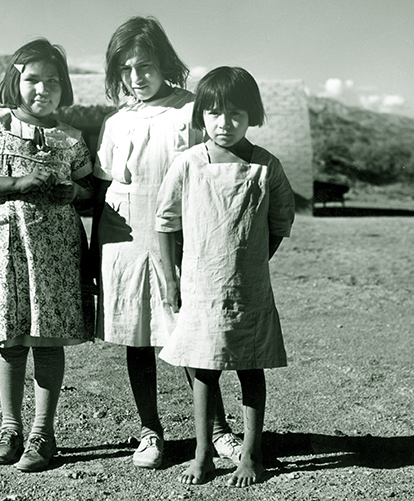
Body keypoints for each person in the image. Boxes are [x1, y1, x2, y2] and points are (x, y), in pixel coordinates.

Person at [92, 16, 243, 470]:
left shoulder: (191, 110)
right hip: (123, 240)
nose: (137, 77)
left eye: (146, 66)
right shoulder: (116, 122)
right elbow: (103, 188)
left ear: (165, 63)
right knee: (137, 338)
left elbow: (214, 172)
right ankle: (149, 431)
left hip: (181, 239)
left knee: (192, 335)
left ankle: (217, 431)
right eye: (127, 70)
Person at [0, 38, 95, 473]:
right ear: (15, 81)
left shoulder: (72, 138)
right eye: (32, 80)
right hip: (3, 247)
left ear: (63, 87)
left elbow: (92, 197)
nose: (43, 89)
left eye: (53, 81)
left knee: (47, 339)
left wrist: (76, 192)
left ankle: (42, 432)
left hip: (54, 250)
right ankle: (10, 427)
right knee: (11, 338)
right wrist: (15, 185)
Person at [155, 66, 295, 487]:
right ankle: (203, 453)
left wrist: (253, 260)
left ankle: (251, 455)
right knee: (203, 369)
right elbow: (165, 221)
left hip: (249, 289)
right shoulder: (189, 164)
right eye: (214, 112)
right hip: (201, 287)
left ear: (252, 115)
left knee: (251, 368)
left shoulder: (266, 167)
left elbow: (280, 220)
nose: (224, 122)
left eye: (236, 113)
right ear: (201, 115)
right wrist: (172, 280)